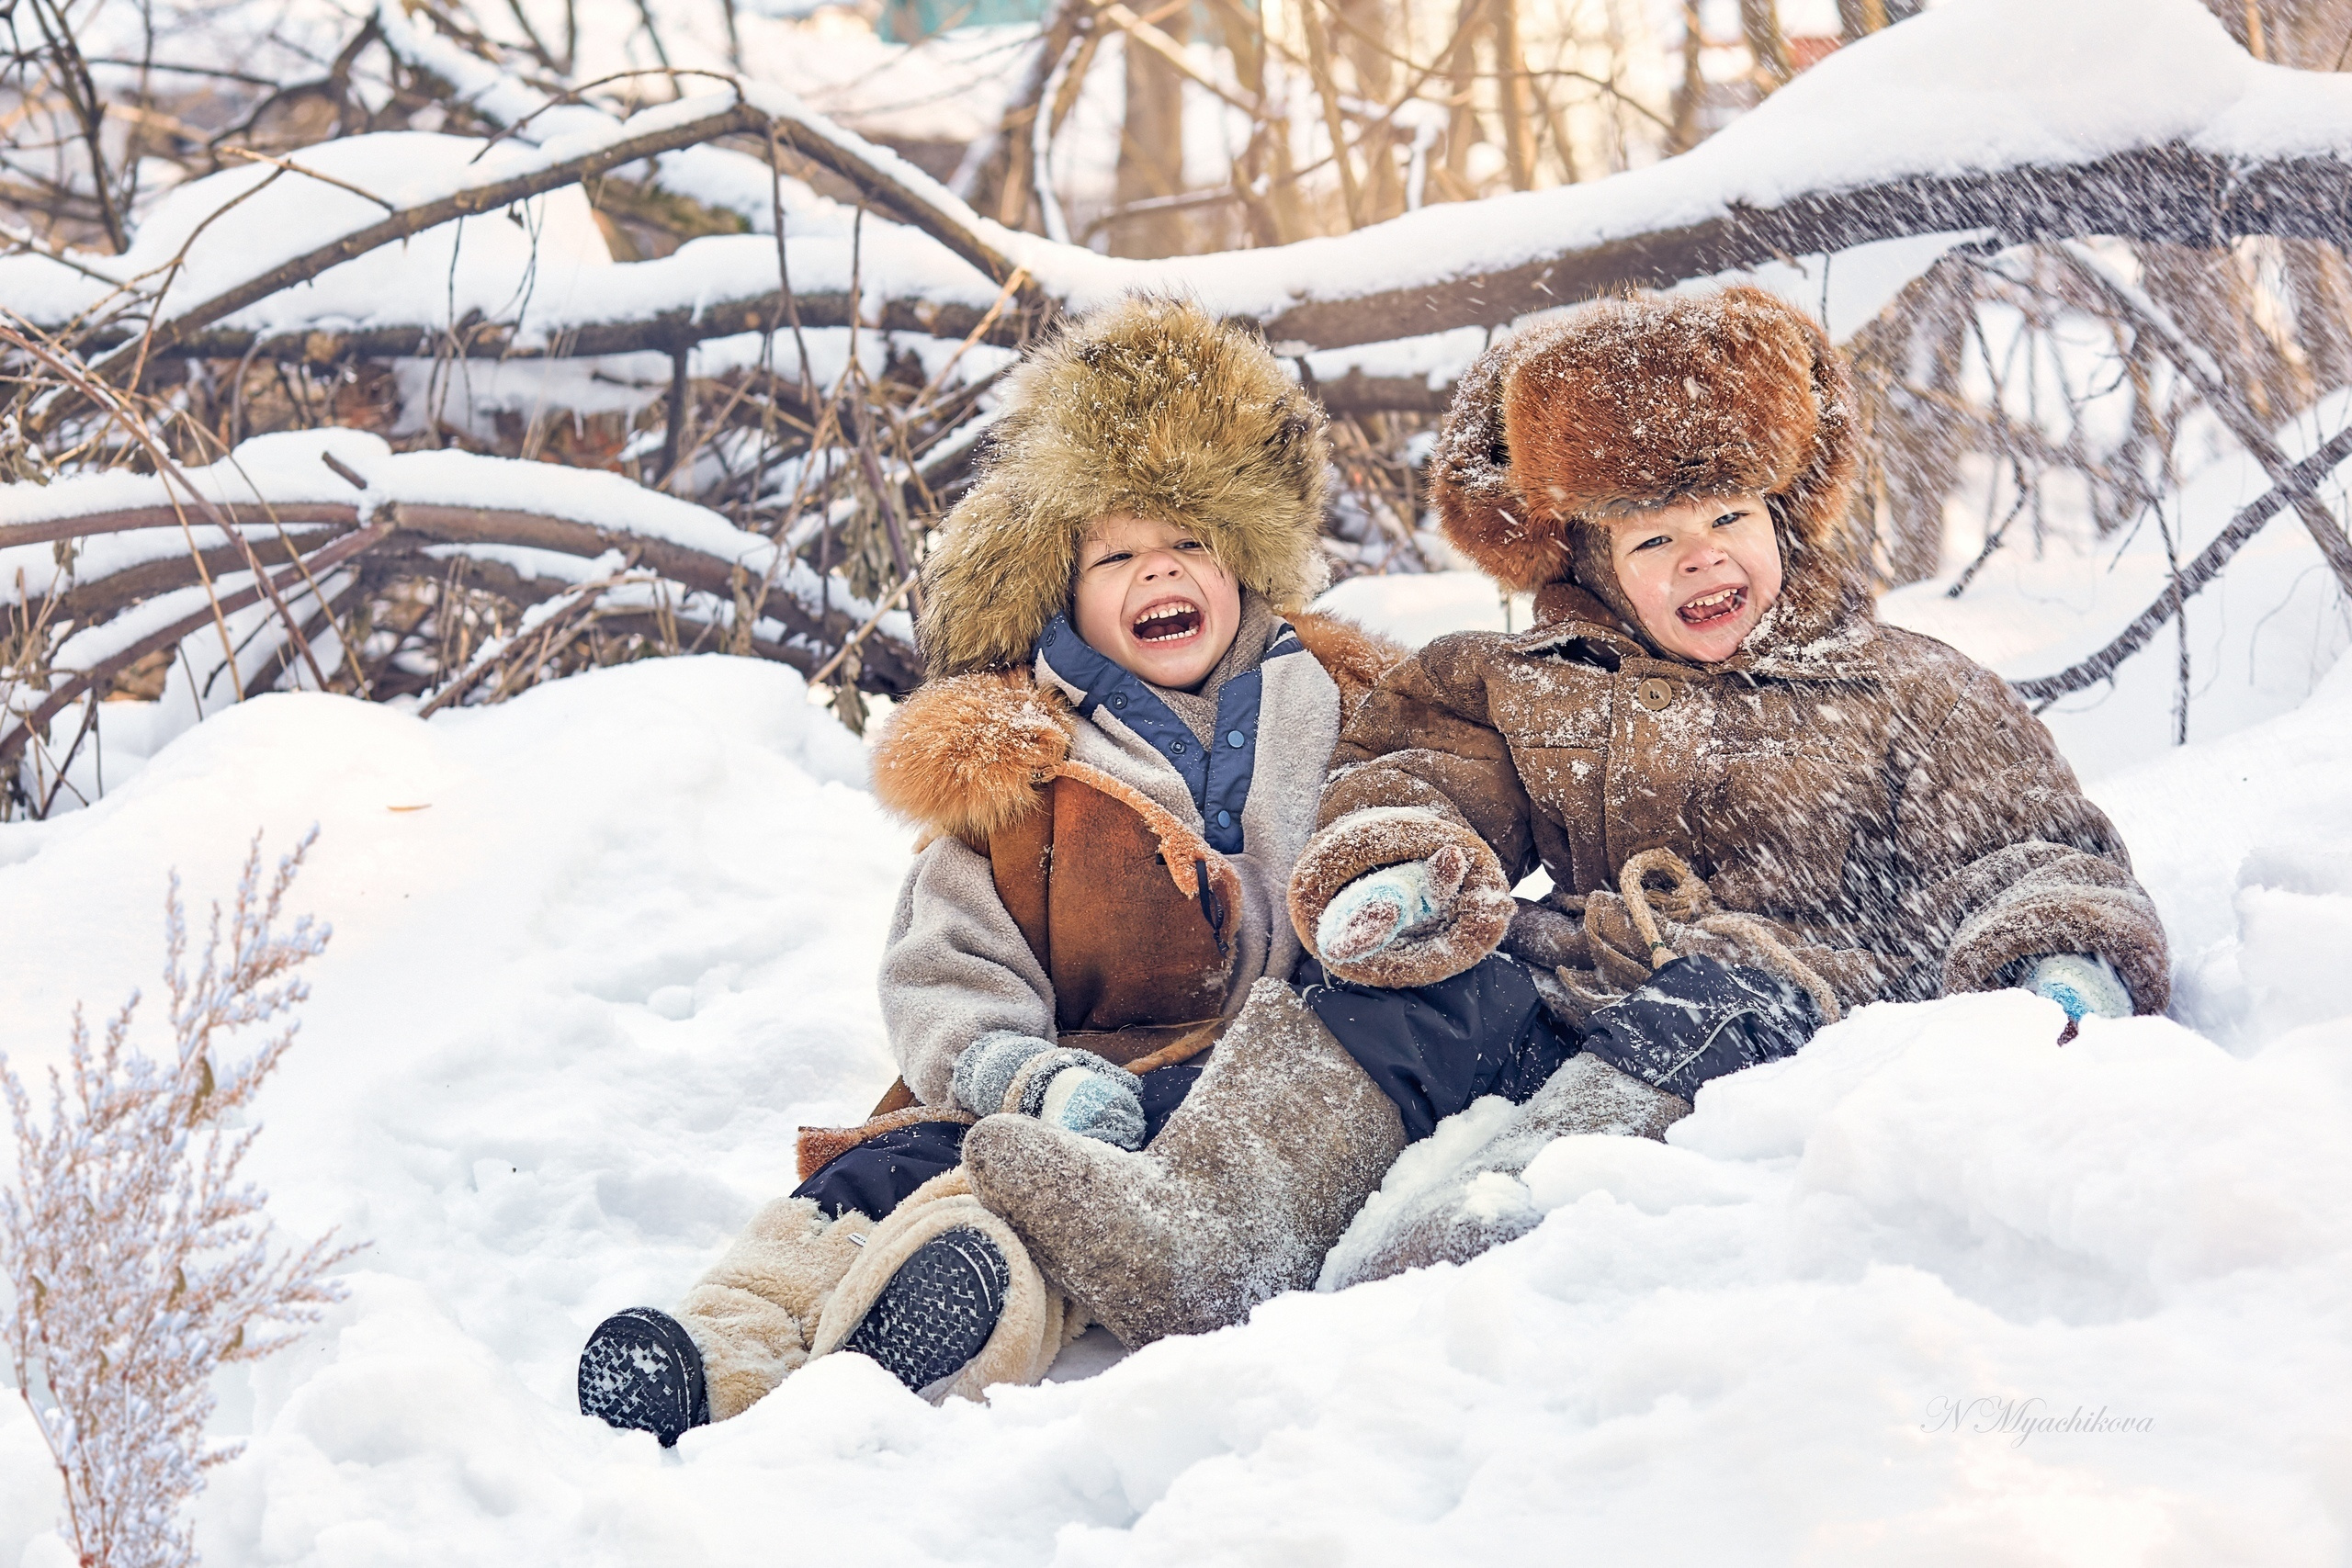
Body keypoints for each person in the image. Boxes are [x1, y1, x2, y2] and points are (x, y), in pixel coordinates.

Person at [965, 285, 2170, 1303]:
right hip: (1584, 973)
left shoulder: (1902, 684)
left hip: (1800, 1001)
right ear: (1591, 565)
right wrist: (1403, 866)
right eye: (1651, 541)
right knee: (1420, 994)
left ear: (1786, 521)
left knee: (1709, 994)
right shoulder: (1530, 683)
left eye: (1727, 518)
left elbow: (2021, 836)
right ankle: (1212, 1221)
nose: (1701, 555)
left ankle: (1473, 1236)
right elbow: (1421, 769)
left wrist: (2061, 957)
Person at [575, 296, 1404, 1444]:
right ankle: (723, 1344)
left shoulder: (1343, 699)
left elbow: (1419, 832)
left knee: (1035, 1206)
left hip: (1248, 1101)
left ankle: (948, 1303)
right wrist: (1016, 1072)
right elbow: (946, 961)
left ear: (1248, 553)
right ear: (1061, 587)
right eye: (1116, 554)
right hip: (1057, 1080)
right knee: (892, 1164)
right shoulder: (1028, 762)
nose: (1155, 574)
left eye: (1189, 543)